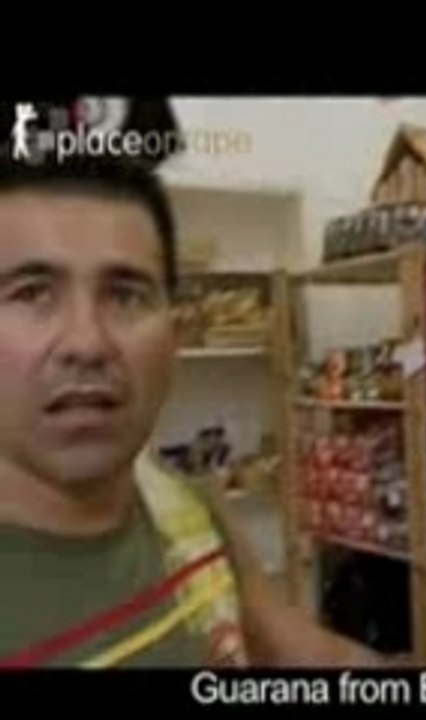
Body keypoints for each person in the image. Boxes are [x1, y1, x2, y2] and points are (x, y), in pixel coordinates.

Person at [0, 156, 389, 668]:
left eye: (125, 295)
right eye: (31, 293)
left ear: (174, 338)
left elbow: (301, 651)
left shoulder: (183, 510)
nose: (86, 343)